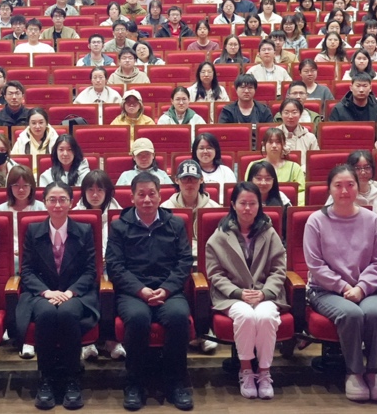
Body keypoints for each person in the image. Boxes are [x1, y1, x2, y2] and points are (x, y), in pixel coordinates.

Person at [106, 172, 196, 412]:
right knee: (138, 318)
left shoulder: (175, 223)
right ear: (132, 197)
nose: (147, 199)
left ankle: (176, 381)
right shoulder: (119, 226)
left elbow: (184, 262)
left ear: (160, 196)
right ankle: (134, 382)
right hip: (133, 292)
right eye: (141, 194)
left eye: (151, 194)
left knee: (178, 317)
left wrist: (166, 289)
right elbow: (115, 266)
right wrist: (141, 290)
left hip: (169, 289)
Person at [303, 165, 377, 402]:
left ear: (357, 187)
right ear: (329, 189)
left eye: (350, 185)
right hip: (326, 290)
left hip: (366, 289)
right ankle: (354, 372)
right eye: (338, 185)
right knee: (351, 314)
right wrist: (344, 287)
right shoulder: (316, 221)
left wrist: (361, 288)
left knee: (376, 313)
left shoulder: (372, 220)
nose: (344, 191)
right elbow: (315, 265)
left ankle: (373, 372)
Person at [18, 182, 100, 410]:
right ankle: (46, 378)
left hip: (75, 293)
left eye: (62, 199)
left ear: (71, 203)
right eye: (52, 199)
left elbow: (90, 271)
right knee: (45, 314)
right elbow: (27, 271)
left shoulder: (84, 230)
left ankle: (72, 378)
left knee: (66, 313)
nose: (57, 204)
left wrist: (69, 292)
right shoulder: (33, 230)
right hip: (42, 293)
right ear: (44, 203)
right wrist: (47, 292)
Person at [205, 181, 288, 400]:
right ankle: (246, 371)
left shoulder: (269, 232)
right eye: (243, 203)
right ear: (233, 204)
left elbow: (279, 269)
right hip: (231, 296)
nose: (248, 208)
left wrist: (265, 293)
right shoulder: (220, 235)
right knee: (245, 315)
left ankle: (264, 372)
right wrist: (238, 293)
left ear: (260, 205)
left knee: (266, 316)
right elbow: (215, 274)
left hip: (264, 293)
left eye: (253, 203)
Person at [247, 127, 306, 203]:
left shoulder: (295, 167)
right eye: (270, 142)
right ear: (263, 144)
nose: (274, 145)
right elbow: (248, 189)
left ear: (283, 144)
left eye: (278, 142)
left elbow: (301, 192)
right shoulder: (253, 165)